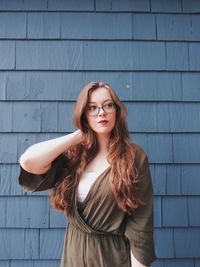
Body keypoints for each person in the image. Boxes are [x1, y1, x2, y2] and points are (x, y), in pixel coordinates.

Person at [18, 81, 157, 267]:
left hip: (111, 256)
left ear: (117, 110)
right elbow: (28, 161)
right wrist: (77, 136)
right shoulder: (74, 154)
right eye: (92, 107)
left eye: (108, 105)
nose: (101, 112)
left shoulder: (133, 155)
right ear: (83, 113)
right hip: (74, 252)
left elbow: (141, 222)